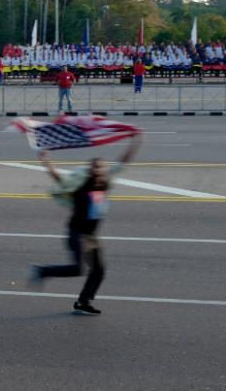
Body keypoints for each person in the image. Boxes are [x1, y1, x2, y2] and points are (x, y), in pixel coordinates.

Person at [30, 134, 143, 315]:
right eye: (95, 169)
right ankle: (43, 271)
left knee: (99, 270)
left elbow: (123, 161)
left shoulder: (105, 183)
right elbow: (60, 179)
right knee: (77, 269)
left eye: (101, 169)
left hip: (91, 235)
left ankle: (83, 302)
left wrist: (136, 141)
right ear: (91, 171)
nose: (98, 172)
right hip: (77, 233)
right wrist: (46, 162)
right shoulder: (80, 186)